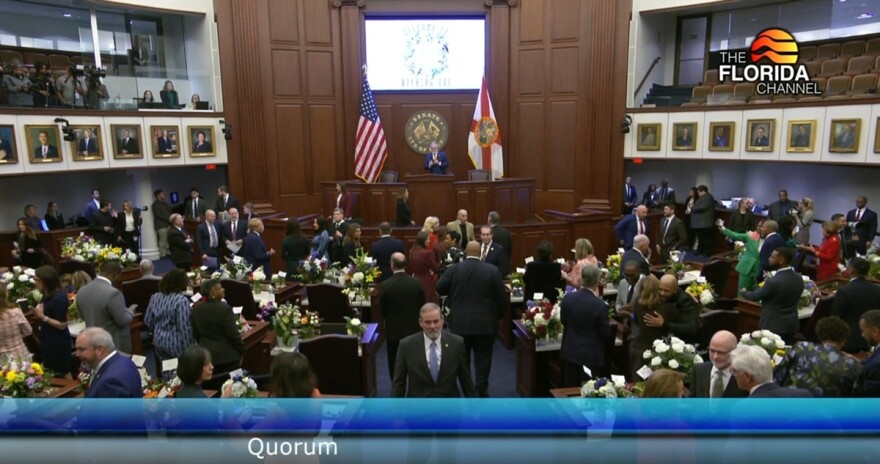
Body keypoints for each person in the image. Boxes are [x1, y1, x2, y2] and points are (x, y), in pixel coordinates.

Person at [436, 241, 506, 397]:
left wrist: (453, 292)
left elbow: (439, 287)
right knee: (484, 357)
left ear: (465, 253)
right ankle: (481, 388)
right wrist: (500, 316)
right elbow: (501, 297)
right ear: (480, 253)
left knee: (463, 358)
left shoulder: (455, 270)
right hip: (486, 323)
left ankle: (467, 389)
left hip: (460, 323)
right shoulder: (492, 271)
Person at [392, 303, 475, 397]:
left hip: (448, 406)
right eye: (427, 322)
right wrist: (395, 409)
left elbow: (466, 380)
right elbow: (399, 383)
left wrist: (474, 408)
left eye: (436, 321)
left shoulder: (456, 343)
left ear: (442, 320)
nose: (432, 326)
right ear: (420, 322)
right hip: (418, 407)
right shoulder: (406, 346)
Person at [774, 316, 861, 397]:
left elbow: (778, 376)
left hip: (791, 404)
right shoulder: (852, 365)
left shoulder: (801, 347)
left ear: (819, 334)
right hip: (829, 411)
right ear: (844, 340)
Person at [560, 265, 612, 387]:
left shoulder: (568, 298)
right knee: (588, 392)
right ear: (596, 281)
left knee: (570, 389)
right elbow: (605, 333)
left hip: (570, 352)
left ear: (582, 279)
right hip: (590, 357)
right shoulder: (600, 305)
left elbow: (564, 321)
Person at [741, 247, 804, 344]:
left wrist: (744, 292)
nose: (769, 259)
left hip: (773, 327)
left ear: (781, 260)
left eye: (772, 257)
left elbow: (755, 296)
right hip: (791, 325)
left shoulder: (773, 282)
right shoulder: (798, 278)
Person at [380, 253, 425, 381]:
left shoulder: (386, 285)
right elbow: (422, 305)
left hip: (394, 331)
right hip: (414, 330)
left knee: (395, 366)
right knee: (414, 364)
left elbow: (383, 310)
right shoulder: (416, 283)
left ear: (392, 265)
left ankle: (397, 391)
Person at [191, 279, 245, 380]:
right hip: (228, 358)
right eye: (220, 288)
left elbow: (195, 334)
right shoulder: (225, 310)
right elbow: (233, 335)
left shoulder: (196, 310)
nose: (223, 290)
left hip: (206, 357)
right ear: (212, 293)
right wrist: (242, 350)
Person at [629, 275, 680, 380]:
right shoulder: (669, 309)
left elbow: (638, 322)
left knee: (637, 384)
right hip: (655, 353)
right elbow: (680, 326)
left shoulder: (637, 304)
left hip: (637, 348)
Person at [75, 327, 142, 398]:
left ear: (100, 350)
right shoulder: (124, 360)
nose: (77, 354)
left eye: (81, 349)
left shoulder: (110, 382)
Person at [145, 269, 195, 360]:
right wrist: (190, 349)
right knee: (180, 371)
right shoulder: (181, 301)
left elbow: (148, 321)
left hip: (158, 341)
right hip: (176, 345)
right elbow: (184, 327)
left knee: (166, 369)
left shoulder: (155, 297)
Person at [31, 266, 72, 377]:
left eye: (37, 280)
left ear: (46, 280)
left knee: (63, 371)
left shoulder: (58, 298)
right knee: (51, 370)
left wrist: (43, 317)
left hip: (59, 342)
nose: (35, 283)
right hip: (48, 339)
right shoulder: (46, 294)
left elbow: (62, 325)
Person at [833, 258, 880, 354]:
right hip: (872, 337)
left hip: (849, 341)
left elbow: (835, 317)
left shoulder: (844, 291)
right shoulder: (877, 290)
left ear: (850, 270)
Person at [730, 344, 812, 397]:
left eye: (734, 371)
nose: (733, 374)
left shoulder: (743, 409)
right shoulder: (803, 395)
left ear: (747, 377)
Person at [645, 274, 701, 343]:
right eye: (660, 289)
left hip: (682, 340)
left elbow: (691, 328)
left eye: (666, 291)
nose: (662, 293)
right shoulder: (657, 294)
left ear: (675, 290)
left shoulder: (685, 301)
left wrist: (664, 324)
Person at [690, 330, 747, 398]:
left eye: (721, 353)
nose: (715, 357)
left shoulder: (743, 375)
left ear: (734, 351)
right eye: (712, 351)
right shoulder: (699, 370)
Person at [718, 220, 761, 294]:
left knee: (758, 295)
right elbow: (735, 235)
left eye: (761, 226)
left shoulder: (771, 240)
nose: (758, 227)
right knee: (742, 293)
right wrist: (722, 227)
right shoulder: (750, 236)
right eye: (758, 225)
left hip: (760, 270)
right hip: (746, 268)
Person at [0, 285, 31, 359]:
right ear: (5, 295)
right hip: (20, 355)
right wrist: (16, 335)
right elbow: (28, 331)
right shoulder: (16, 312)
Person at [410, 231, 439, 304]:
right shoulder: (427, 253)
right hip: (426, 281)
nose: (429, 241)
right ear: (423, 240)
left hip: (415, 279)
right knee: (428, 302)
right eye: (428, 239)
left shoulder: (412, 251)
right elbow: (436, 269)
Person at [855, 310, 880, 396]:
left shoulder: (876, 366)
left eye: (863, 331)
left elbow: (868, 395)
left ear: (875, 331)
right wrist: (859, 361)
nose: (862, 335)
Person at [690, 185, 716, 256]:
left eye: (699, 192)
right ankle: (700, 250)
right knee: (701, 238)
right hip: (701, 223)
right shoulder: (704, 197)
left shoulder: (708, 197)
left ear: (703, 191)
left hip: (705, 223)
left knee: (706, 239)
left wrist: (692, 207)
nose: (698, 194)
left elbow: (702, 207)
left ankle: (706, 252)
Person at [152, 189, 172, 259]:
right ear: (158, 195)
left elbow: (169, 213)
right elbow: (158, 215)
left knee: (168, 240)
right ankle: (163, 255)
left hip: (168, 224)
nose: (164, 195)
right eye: (162, 194)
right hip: (161, 225)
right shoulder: (155, 205)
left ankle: (168, 252)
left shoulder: (165, 203)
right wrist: (169, 219)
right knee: (163, 240)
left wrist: (171, 218)